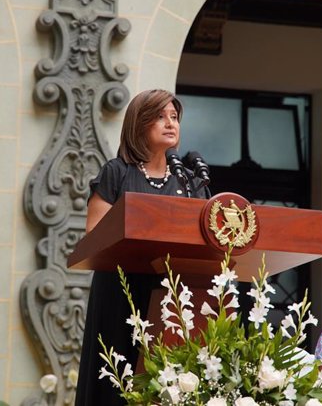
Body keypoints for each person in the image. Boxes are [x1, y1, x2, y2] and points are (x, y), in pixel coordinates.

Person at [75, 89, 210, 406]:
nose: (170, 123)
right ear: (139, 124)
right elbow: (94, 235)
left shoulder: (188, 179)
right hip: (122, 292)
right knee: (116, 382)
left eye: (174, 117)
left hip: (174, 294)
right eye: (160, 116)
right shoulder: (117, 172)